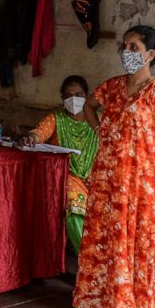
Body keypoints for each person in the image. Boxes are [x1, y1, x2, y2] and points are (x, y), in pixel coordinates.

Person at [72, 25, 155, 308]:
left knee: (133, 237)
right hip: (107, 175)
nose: (127, 52)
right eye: (124, 46)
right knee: (104, 234)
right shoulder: (111, 86)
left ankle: (128, 301)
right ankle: (97, 297)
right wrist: (102, 131)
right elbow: (90, 107)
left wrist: (141, 153)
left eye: (134, 47)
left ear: (151, 54)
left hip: (138, 181)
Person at [22, 75, 99, 254]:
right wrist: (32, 137)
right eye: (68, 96)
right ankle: (88, 259)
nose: (74, 99)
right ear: (62, 99)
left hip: (95, 177)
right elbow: (39, 133)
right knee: (74, 203)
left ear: (87, 96)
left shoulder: (97, 120)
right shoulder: (56, 118)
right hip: (67, 175)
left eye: (78, 94)